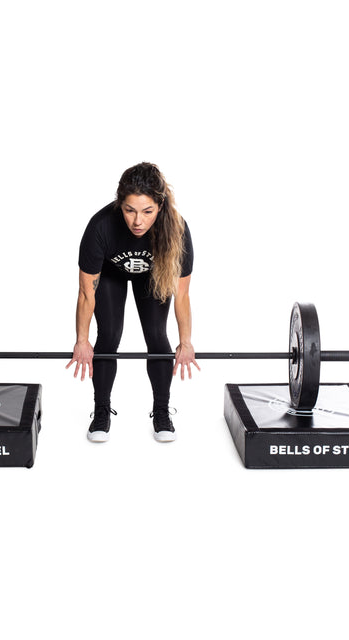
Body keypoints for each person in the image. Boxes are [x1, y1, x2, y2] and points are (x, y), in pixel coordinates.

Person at [66, 162, 199, 443]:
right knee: (109, 336)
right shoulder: (100, 227)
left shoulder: (176, 231)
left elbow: (182, 295)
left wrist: (186, 342)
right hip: (110, 275)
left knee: (156, 336)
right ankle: (101, 411)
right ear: (120, 205)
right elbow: (86, 293)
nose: (138, 221)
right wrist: (81, 339)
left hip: (153, 274)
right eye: (130, 210)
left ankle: (162, 412)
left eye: (147, 211)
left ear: (160, 206)